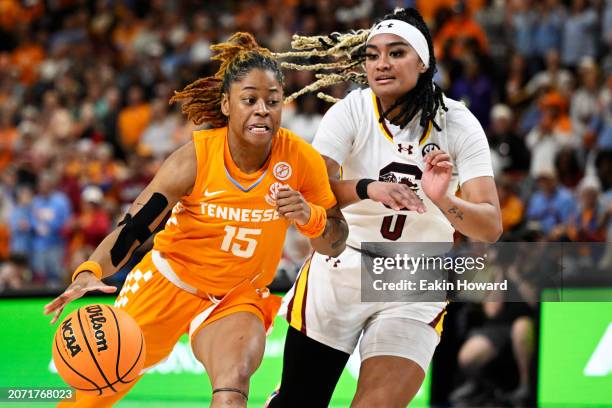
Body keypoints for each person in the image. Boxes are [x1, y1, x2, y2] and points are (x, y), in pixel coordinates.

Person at [43, 32, 347, 407]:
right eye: (249, 100)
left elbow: (334, 242)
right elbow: (135, 227)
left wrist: (310, 216)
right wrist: (90, 270)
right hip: (168, 282)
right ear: (225, 105)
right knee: (91, 393)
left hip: (235, 297)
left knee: (233, 385)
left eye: (273, 101)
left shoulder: (301, 160)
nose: (262, 110)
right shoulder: (195, 158)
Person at [268, 8, 501, 407]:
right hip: (343, 265)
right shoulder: (350, 111)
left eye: (396, 53)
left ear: (423, 62)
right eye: (373, 55)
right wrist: (367, 188)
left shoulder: (459, 123)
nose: (381, 64)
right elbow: (313, 191)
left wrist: (443, 199)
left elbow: (491, 226)